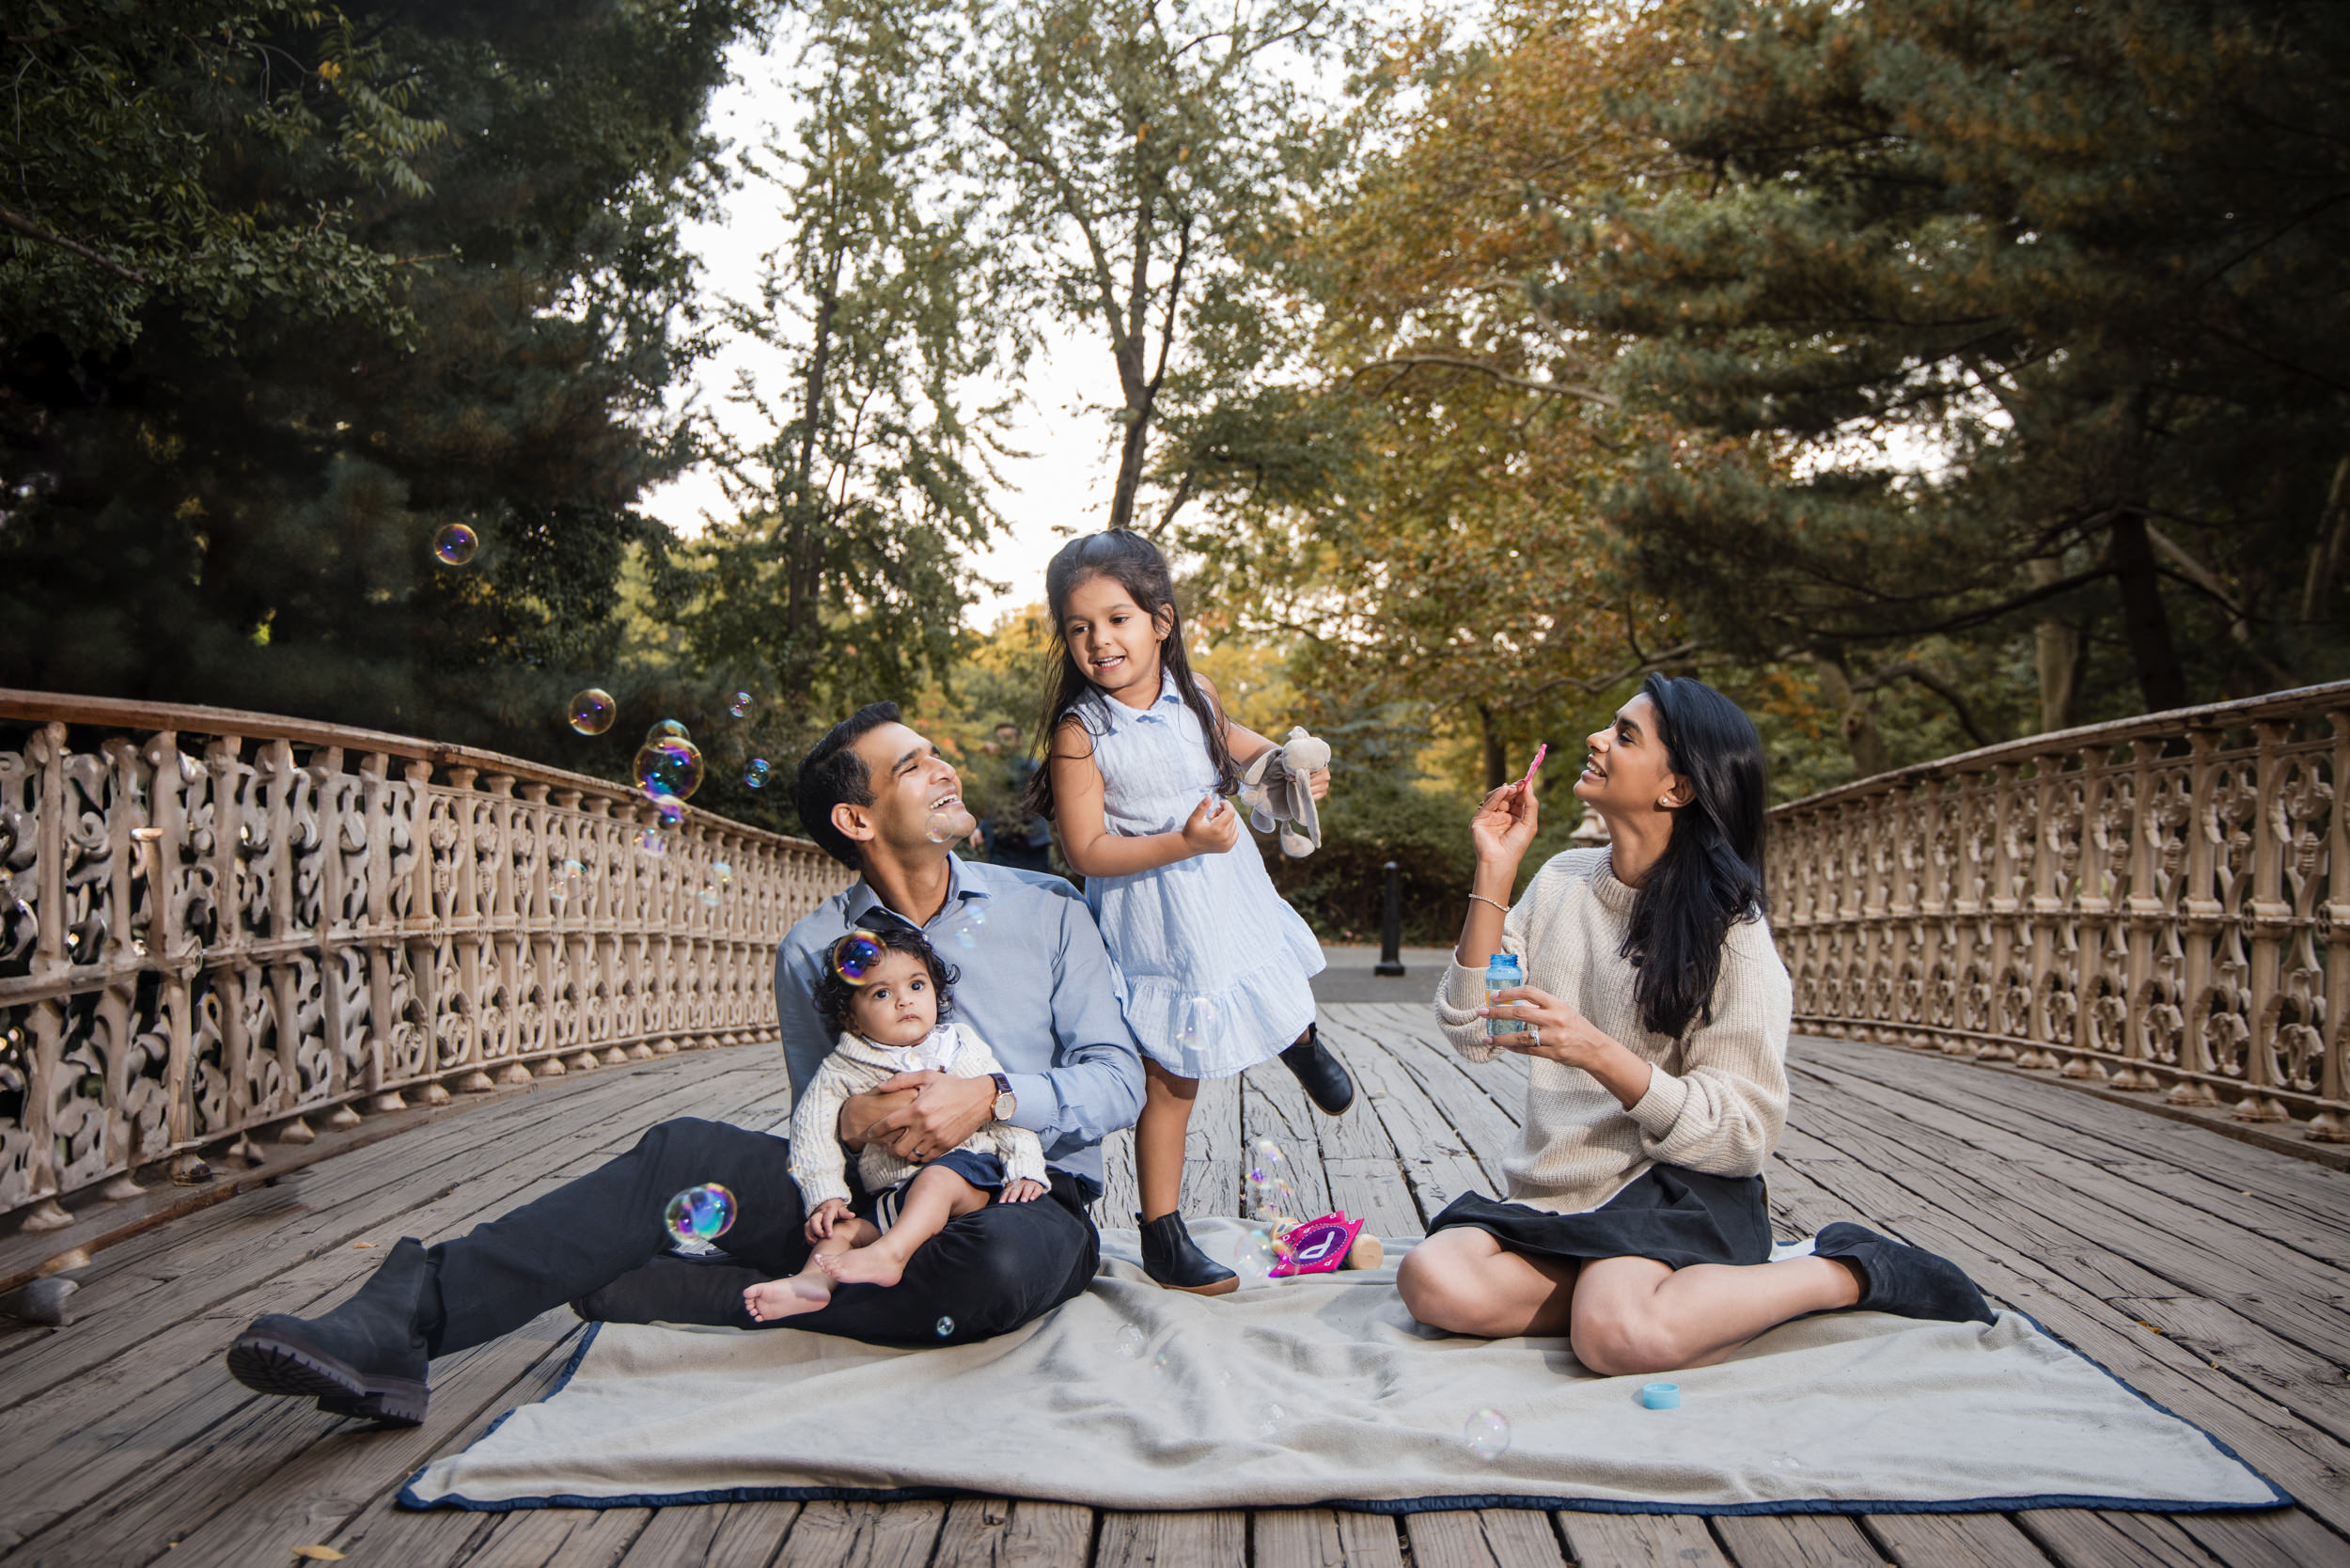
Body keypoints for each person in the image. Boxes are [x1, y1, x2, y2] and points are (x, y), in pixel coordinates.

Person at [223, 702, 1144, 1426]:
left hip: (1023, 1200)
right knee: (677, 1154)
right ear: (857, 816)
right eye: (912, 763)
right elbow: (815, 1127)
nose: (944, 766)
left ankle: (703, 1295)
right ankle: (407, 1311)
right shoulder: (812, 946)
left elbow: (1118, 1077)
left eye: (935, 752)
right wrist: (852, 1131)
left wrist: (990, 1096)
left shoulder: (1049, 909)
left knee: (986, 1274)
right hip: (868, 1197)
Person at [1398, 675, 1992, 1375]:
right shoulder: (1559, 880)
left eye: (1624, 735)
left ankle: (1849, 1270)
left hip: (1680, 1187)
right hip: (1563, 1191)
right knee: (1433, 1280)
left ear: (1676, 789)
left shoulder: (1731, 931)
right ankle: (1637, 1294)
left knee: (1615, 1338)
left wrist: (1599, 1054)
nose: (1596, 739)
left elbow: (1744, 1133)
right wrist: (1494, 874)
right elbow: (1473, 1028)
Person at [1030, 529, 1354, 1295]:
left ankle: (1298, 1041)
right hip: (1157, 917)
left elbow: (1239, 749)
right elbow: (1087, 850)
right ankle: (1164, 1235)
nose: (1099, 641)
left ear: (1160, 621)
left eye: (1117, 619)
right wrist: (1179, 843)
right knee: (1168, 1077)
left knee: (1263, 970)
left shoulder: (1194, 693)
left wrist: (1288, 769)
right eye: (1080, 628)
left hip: (1227, 891)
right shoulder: (1082, 735)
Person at [746, 928, 1047, 1322]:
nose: (905, 1000)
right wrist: (826, 1197)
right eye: (882, 994)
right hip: (893, 1194)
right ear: (850, 1018)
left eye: (917, 985)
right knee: (843, 1233)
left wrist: (1025, 1170)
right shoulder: (842, 1068)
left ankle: (891, 1255)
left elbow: (1000, 1111)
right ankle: (811, 1283)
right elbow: (812, 1132)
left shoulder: (957, 1046)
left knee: (937, 1180)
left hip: (970, 1178)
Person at [981, 720, 1056, 874]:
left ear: (1019, 741)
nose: (1002, 743)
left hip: (1031, 848)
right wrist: (981, 828)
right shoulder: (995, 772)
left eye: (1007, 738)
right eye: (998, 740)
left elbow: (1027, 790)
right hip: (1000, 848)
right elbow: (994, 807)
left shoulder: (1030, 766)